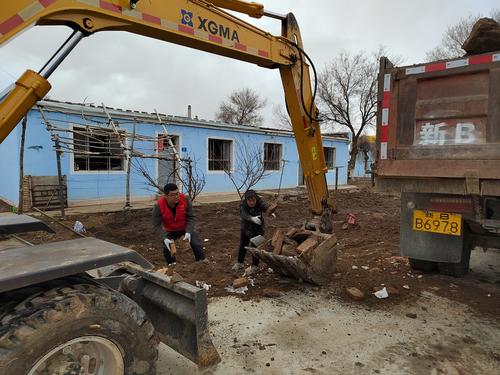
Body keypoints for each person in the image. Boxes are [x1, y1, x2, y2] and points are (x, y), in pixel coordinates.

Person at [153, 183, 206, 265]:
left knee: (196, 244)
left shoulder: (185, 199)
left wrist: (188, 231)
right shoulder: (158, 205)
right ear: (166, 196)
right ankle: (172, 265)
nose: (177, 196)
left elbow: (191, 217)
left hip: (185, 228)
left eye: (177, 193)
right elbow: (156, 225)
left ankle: (202, 262)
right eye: (173, 195)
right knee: (167, 248)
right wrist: (164, 238)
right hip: (170, 230)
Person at [232, 189, 276, 274]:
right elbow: (243, 214)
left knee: (255, 247)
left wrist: (270, 211)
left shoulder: (259, 201)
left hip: (258, 229)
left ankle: (255, 266)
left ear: (256, 199)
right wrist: (251, 218)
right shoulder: (243, 204)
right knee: (243, 245)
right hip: (246, 228)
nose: (252, 203)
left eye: (253, 200)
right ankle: (240, 263)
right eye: (249, 201)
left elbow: (264, 206)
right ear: (246, 200)